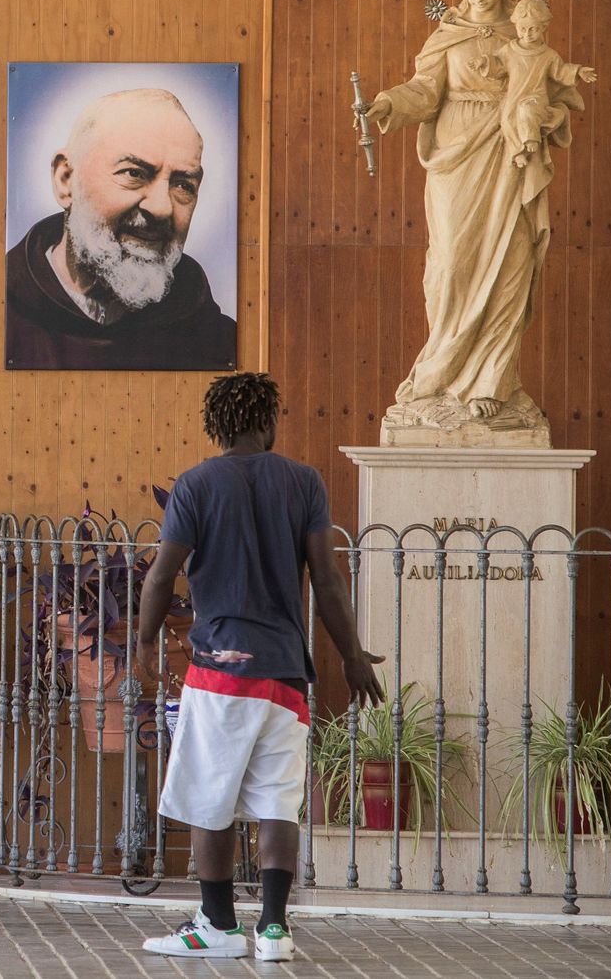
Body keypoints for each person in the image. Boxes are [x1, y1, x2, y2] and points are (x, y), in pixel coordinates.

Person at [135, 372, 384, 962]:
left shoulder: (196, 485)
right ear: (269, 421)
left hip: (221, 672)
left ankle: (218, 925)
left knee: (209, 798)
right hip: (286, 675)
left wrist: (144, 640)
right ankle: (274, 931)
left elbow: (161, 575)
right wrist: (351, 656)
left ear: (215, 426)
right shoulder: (304, 482)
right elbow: (326, 579)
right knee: (277, 802)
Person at [363, 0, 589, 432]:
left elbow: (551, 89)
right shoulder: (448, 35)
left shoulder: (525, 34)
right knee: (451, 264)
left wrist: (545, 112)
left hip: (509, 151)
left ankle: (491, 381)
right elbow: (425, 91)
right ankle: (440, 374)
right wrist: (389, 103)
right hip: (458, 154)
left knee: (512, 260)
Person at [5, 86, 236, 371]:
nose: (162, 207)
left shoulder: (218, 340)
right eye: (133, 173)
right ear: (66, 180)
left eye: (182, 185)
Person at [470, 0, 596, 171]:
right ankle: (518, 152)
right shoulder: (509, 50)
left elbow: (560, 71)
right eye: (522, 29)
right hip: (514, 96)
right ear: (516, 26)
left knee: (527, 110)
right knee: (507, 120)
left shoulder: (548, 55)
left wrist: (578, 71)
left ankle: (531, 140)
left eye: (533, 29)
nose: (527, 34)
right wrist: (484, 62)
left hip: (536, 98)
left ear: (543, 27)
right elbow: (498, 65)